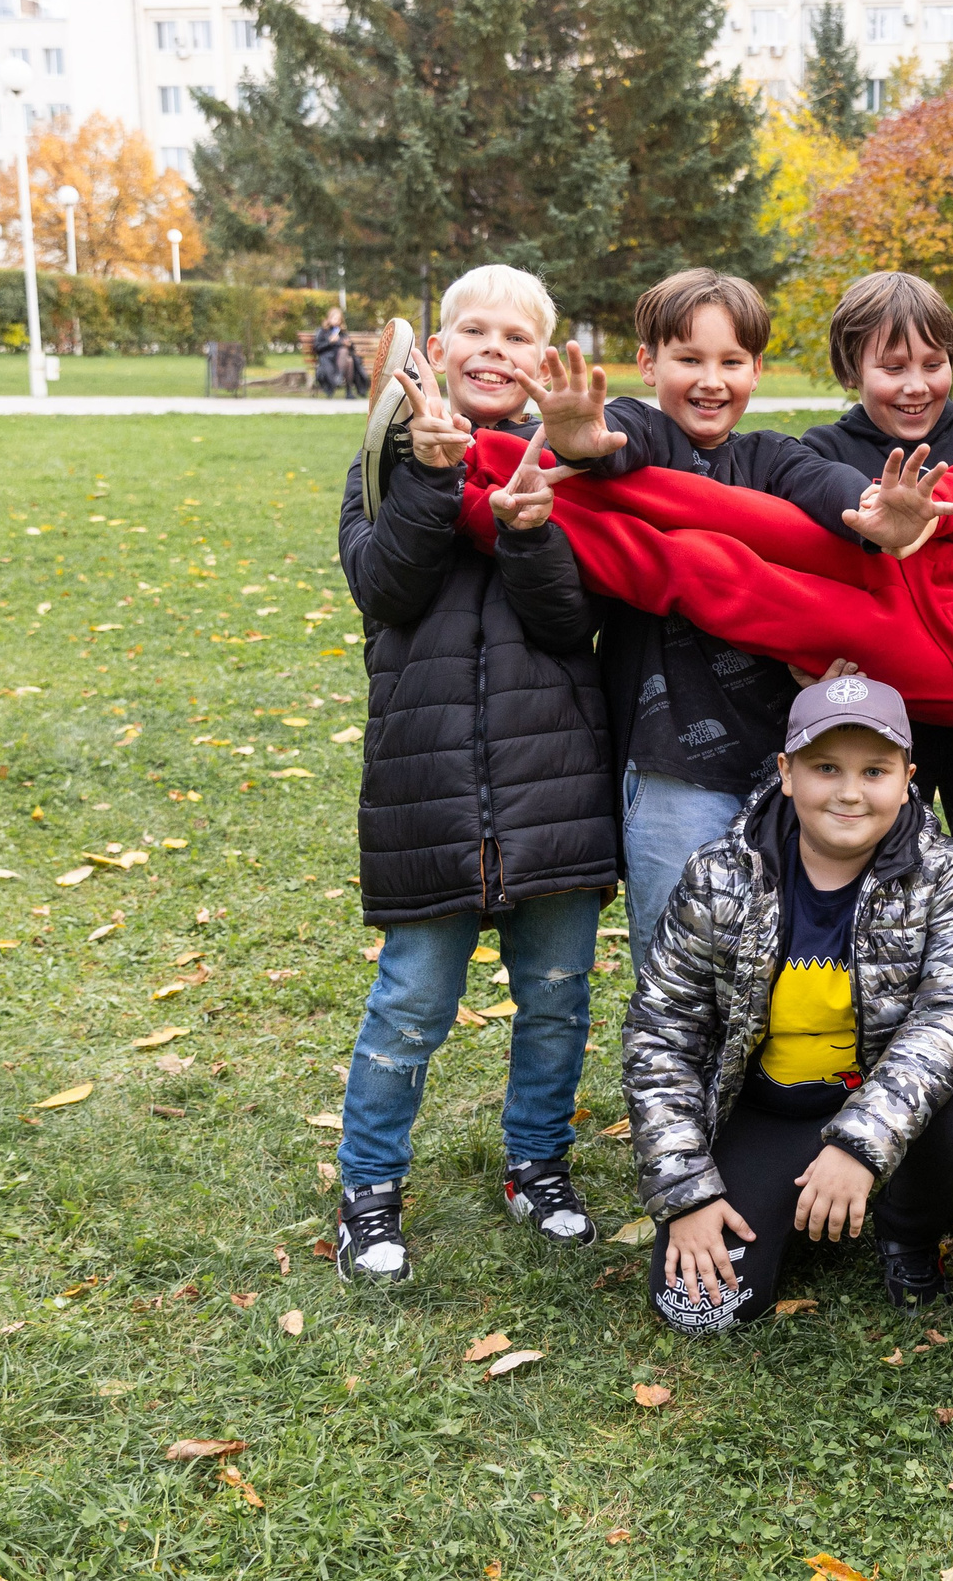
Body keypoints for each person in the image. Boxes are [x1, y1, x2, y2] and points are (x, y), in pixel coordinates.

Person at [464, 363, 953, 766]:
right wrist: (919, 513)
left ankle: (483, 507)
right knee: (730, 512)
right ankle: (487, 451)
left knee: (711, 573)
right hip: (921, 569)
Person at [327, 263, 617, 1282]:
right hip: (428, 788)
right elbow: (386, 588)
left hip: (554, 787)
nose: (493, 349)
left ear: (543, 361)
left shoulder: (573, 469)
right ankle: (369, 1184)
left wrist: (531, 527)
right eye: (473, 331)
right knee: (411, 1000)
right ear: (436, 350)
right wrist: (438, 479)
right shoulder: (381, 465)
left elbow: (572, 621)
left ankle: (537, 1161)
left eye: (516, 336)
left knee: (555, 993)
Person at [486, 268, 881, 981]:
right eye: (688, 359)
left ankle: (765, 1095)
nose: (711, 380)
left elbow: (827, 490)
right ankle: (674, 1094)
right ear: (648, 363)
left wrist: (877, 510)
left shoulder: (771, 457)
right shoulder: (644, 433)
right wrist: (580, 438)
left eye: (731, 361)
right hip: (671, 765)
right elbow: (614, 438)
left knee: (785, 954)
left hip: (779, 760)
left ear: (758, 369)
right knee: (680, 966)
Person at [627, 675, 953, 1332]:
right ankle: (795, 1203)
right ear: (787, 771)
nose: (850, 791)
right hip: (770, 1107)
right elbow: (662, 1031)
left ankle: (903, 1226)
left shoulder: (948, 872)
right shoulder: (719, 873)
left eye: (874, 770)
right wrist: (685, 1191)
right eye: (825, 767)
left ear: (908, 776)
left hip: (887, 1101)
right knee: (699, 1311)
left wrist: (860, 1144)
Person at [797, 272, 953, 980]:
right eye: (893, 366)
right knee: (870, 879)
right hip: (876, 714)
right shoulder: (821, 453)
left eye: (932, 364)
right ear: (851, 368)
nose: (915, 385)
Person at [312, 306, 365, 399]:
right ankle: (347, 390)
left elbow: (352, 348)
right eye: (334, 318)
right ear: (329, 318)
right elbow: (317, 347)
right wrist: (330, 342)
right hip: (328, 359)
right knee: (348, 359)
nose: (337, 321)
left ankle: (340, 378)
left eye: (339, 319)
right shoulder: (322, 331)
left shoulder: (342, 332)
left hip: (342, 360)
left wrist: (349, 345)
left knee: (348, 358)